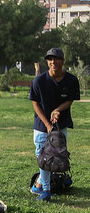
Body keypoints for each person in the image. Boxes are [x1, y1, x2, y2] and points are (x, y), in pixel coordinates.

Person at [30, 47, 80, 202]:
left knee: (58, 156)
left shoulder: (71, 80)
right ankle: (45, 190)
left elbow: (70, 100)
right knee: (44, 157)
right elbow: (35, 103)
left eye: (56, 59)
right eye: (50, 59)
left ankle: (40, 182)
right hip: (41, 126)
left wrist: (57, 110)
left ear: (62, 61)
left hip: (60, 125)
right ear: (47, 62)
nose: (53, 62)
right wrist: (47, 124)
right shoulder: (39, 81)